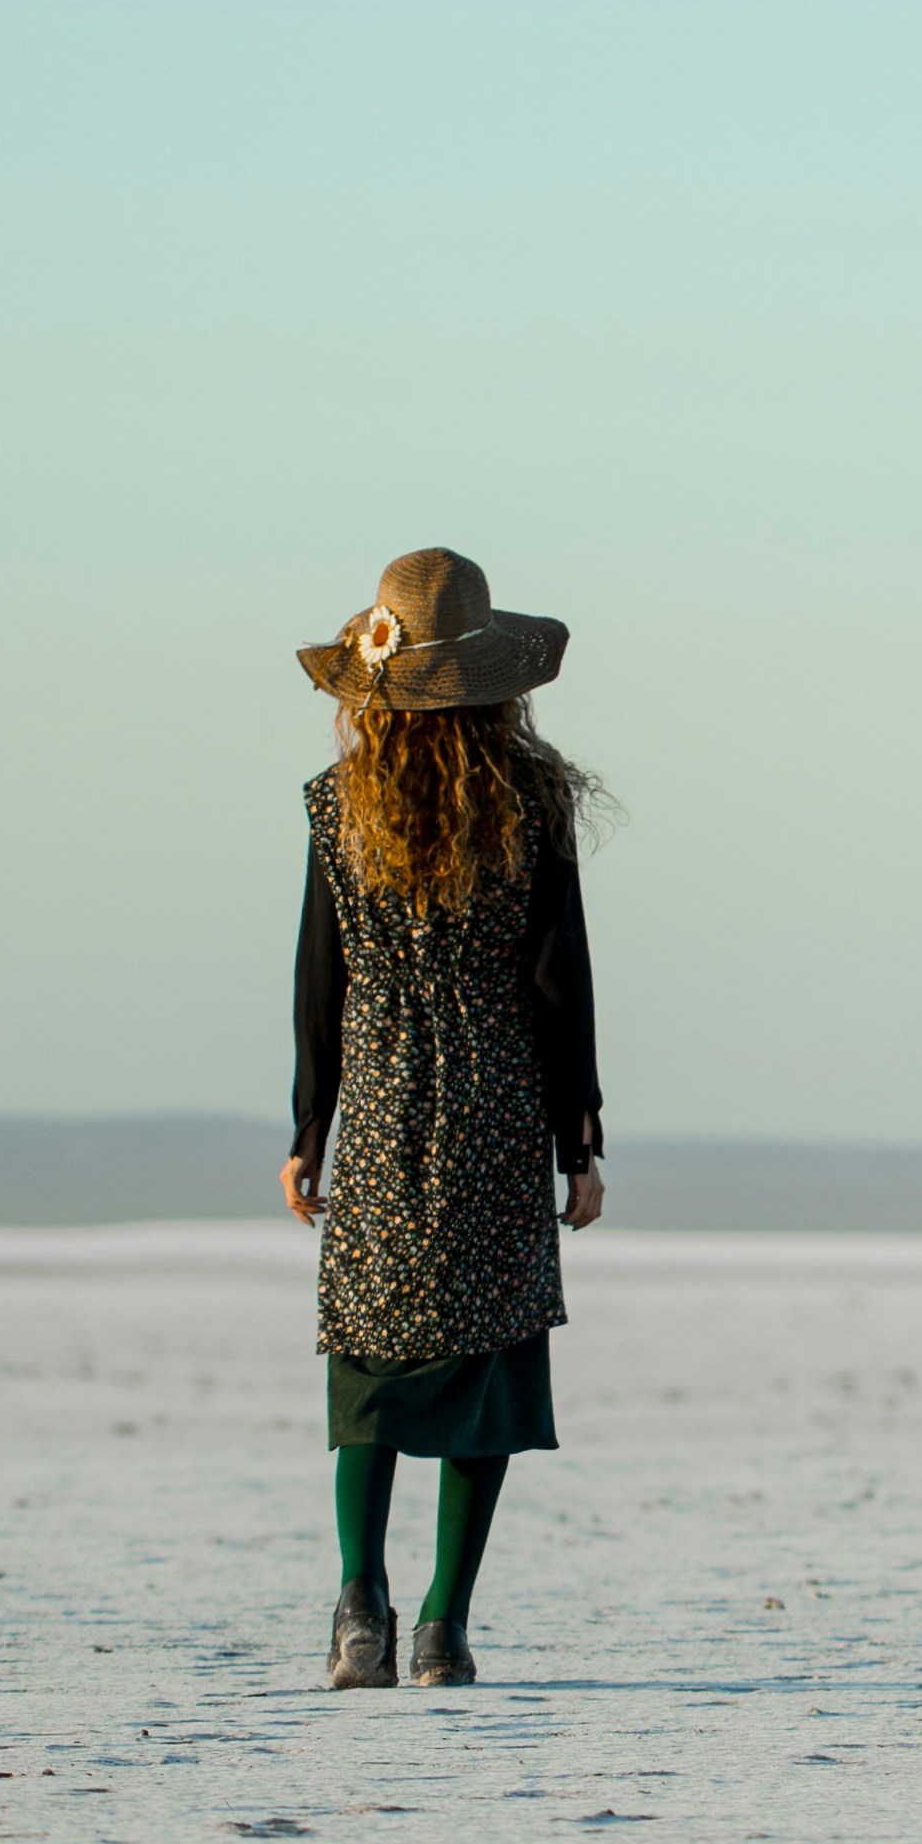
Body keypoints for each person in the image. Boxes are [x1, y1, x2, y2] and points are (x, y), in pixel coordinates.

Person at [279, 547, 605, 1687]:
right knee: (488, 1367)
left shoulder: (336, 808)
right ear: (497, 685)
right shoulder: (533, 801)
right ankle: (440, 1625)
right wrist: (582, 1138)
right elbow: (559, 980)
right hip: (495, 1104)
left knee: (368, 1361)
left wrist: (306, 1128)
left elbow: (319, 980)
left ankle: (356, 1602)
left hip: (375, 1108)